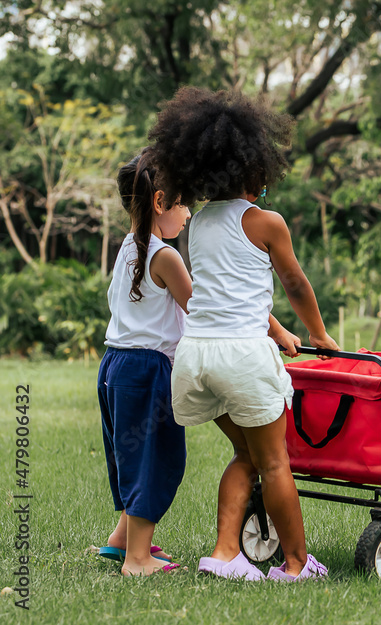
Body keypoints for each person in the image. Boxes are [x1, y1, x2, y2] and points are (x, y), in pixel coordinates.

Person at [148, 86, 339, 582]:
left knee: (247, 453)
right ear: (254, 167)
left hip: (196, 357)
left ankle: (225, 553)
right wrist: (320, 335)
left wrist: (277, 332)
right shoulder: (265, 221)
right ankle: (297, 565)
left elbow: (228, 294)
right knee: (276, 462)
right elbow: (294, 283)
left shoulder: (202, 221)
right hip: (240, 357)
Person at [98, 149, 192, 576]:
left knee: (130, 457)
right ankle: (138, 560)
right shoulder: (165, 256)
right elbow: (201, 308)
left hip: (115, 367)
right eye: (184, 202)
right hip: (146, 372)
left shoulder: (127, 248)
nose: (189, 214)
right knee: (156, 458)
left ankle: (122, 540)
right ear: (159, 202)